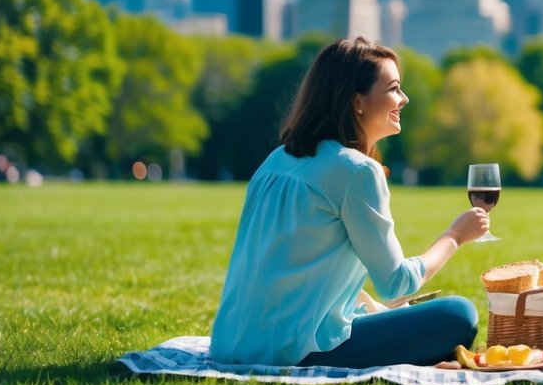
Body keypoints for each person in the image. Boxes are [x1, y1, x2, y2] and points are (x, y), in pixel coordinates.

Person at [210, 37, 490, 368]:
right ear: (358, 101)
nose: (405, 98)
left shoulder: (276, 160)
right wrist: (455, 235)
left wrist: (367, 307)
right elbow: (396, 282)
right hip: (293, 349)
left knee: (382, 311)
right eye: (394, 88)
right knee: (457, 314)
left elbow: (290, 266)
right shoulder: (357, 171)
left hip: (230, 343)